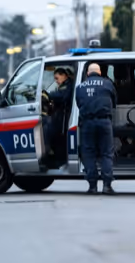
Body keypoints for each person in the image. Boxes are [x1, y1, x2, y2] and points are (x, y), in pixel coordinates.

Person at [74, 63, 117, 195]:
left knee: (88, 153)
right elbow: (114, 102)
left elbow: (78, 103)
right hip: (104, 122)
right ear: (100, 72)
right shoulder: (108, 84)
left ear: (87, 73)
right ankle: (107, 186)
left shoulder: (80, 87)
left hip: (87, 123)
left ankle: (92, 186)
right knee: (106, 153)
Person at [44, 68, 74, 158]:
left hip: (64, 117)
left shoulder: (68, 85)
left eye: (57, 78)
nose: (56, 81)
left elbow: (62, 96)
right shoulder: (64, 85)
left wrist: (48, 95)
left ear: (64, 75)